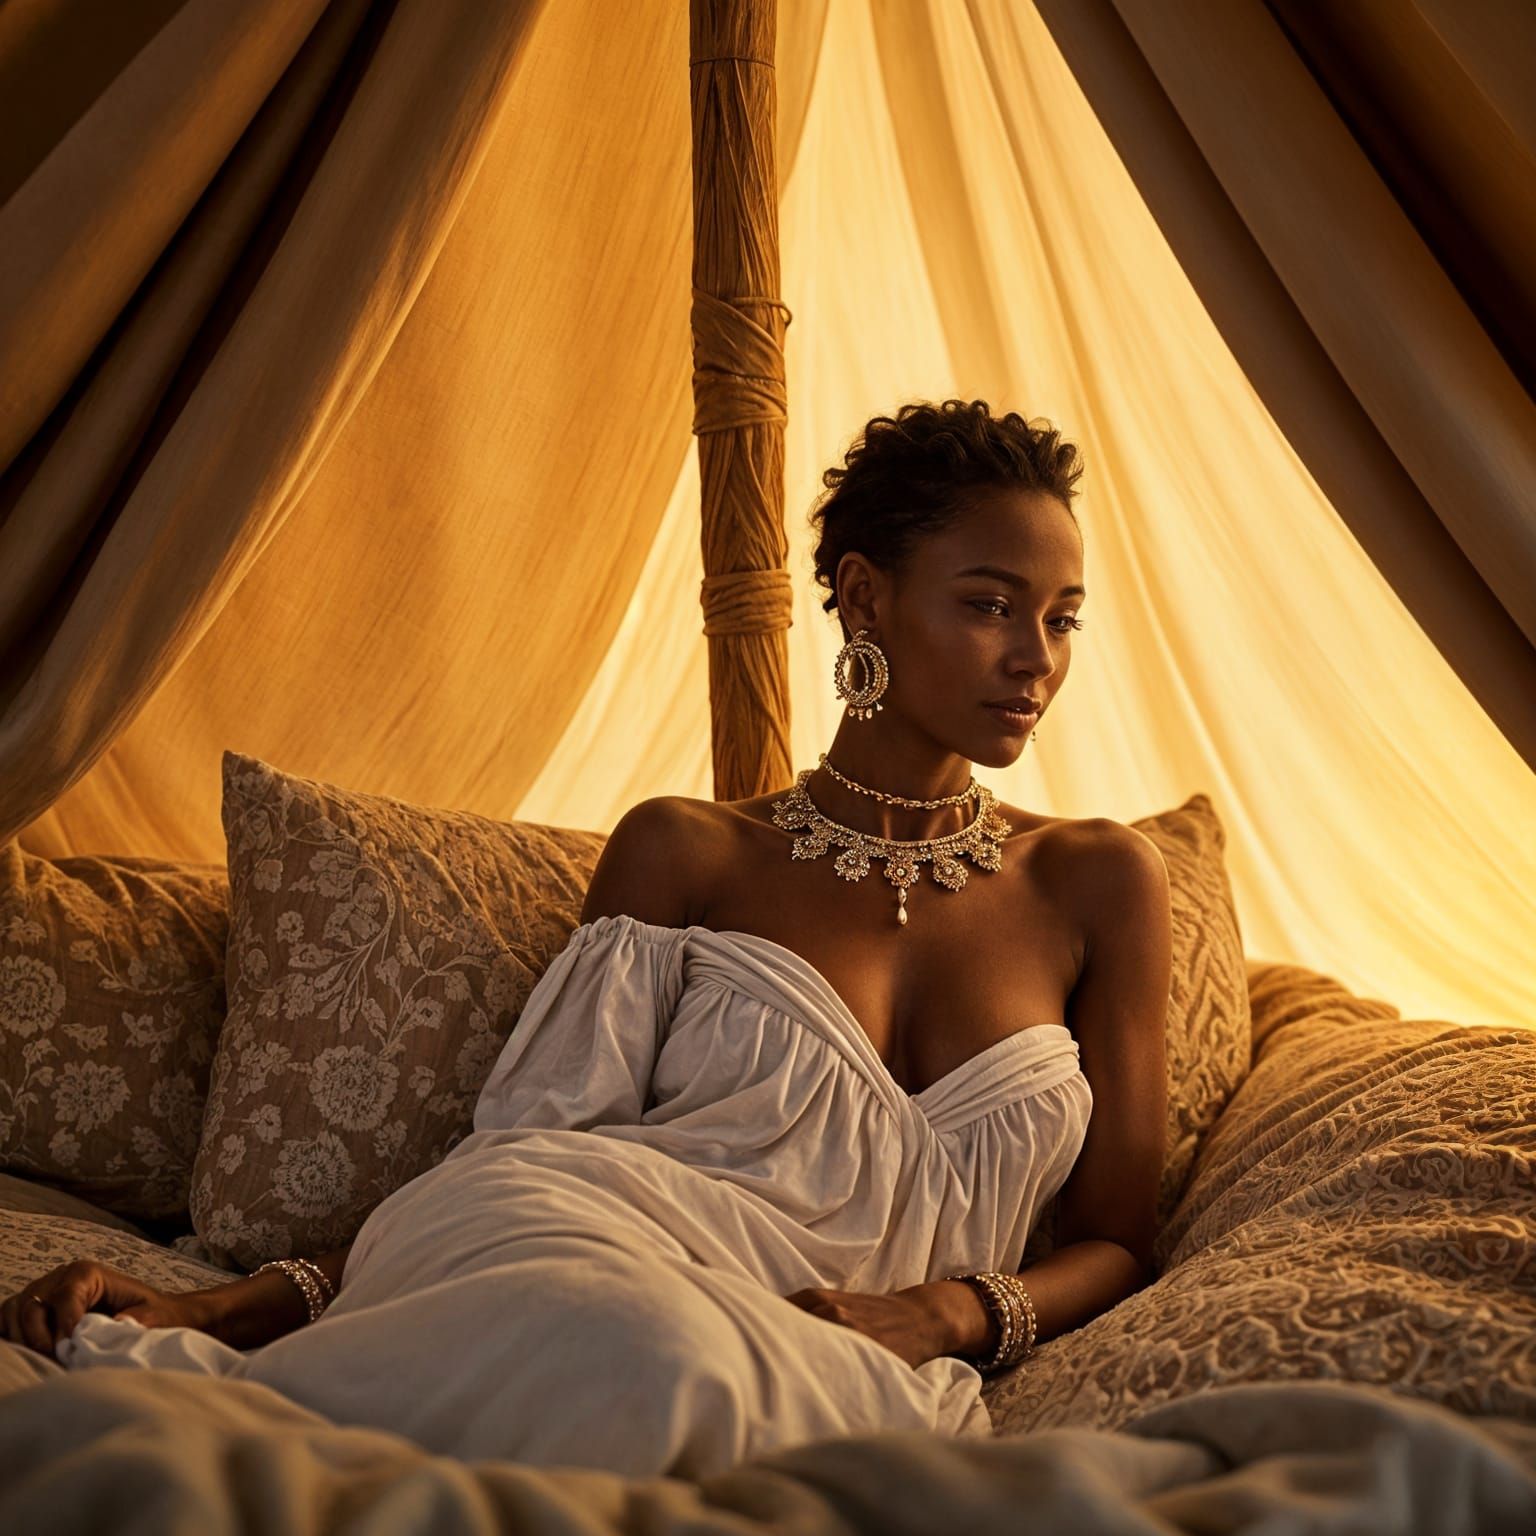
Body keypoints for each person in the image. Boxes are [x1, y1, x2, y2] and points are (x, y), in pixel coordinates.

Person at [0, 399, 1171, 1479]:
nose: (1038, 658)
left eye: (1063, 618)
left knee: (660, 1365)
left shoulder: (1097, 880)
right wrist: (214, 1308)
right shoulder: (689, 851)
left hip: (849, 1344)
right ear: (865, 599)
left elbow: (1120, 1239)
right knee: (638, 1346)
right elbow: (519, 1157)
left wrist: (945, 1316)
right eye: (989, 604)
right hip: (590, 1244)